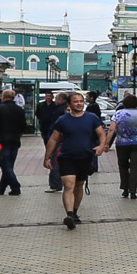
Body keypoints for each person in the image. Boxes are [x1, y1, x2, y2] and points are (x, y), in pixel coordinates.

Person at [44, 91, 108, 229]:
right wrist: (47, 157)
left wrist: (101, 146)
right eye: (76, 101)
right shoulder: (63, 120)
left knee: (79, 185)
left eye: (81, 101)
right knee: (69, 185)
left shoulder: (91, 118)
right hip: (66, 157)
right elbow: (54, 139)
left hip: (85, 157)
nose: (79, 104)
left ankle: (75, 212)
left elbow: (102, 134)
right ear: (69, 104)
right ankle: (70, 214)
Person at [0, 88, 28, 194]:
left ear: (3, 97)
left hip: (1, 141)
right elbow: (23, 125)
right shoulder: (19, 110)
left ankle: (15, 186)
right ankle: (1, 189)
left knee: (5, 165)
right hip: (15, 140)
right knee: (9, 164)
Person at [108, 94, 137, 198]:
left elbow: (112, 129)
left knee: (123, 166)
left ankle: (125, 189)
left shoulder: (118, 114)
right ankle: (133, 191)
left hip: (121, 143)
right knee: (135, 166)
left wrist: (106, 143)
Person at [37, 92, 68, 193]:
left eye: (56, 98)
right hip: (67, 140)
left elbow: (55, 127)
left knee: (55, 161)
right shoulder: (65, 109)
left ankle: (55, 184)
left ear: (61, 99)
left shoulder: (58, 111)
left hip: (58, 139)